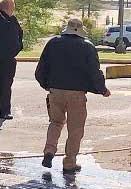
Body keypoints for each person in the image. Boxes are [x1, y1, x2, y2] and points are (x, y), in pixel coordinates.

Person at [35, 17, 111, 175]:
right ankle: (69, 163)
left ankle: (49, 151)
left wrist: (47, 85)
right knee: (75, 129)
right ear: (81, 30)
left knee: (55, 123)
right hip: (77, 94)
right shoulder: (88, 47)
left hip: (55, 91)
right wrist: (102, 90)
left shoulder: (53, 43)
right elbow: (94, 73)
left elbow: (41, 69)